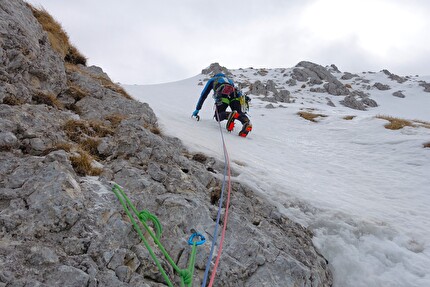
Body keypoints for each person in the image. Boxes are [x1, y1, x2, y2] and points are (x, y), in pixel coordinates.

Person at [192, 73, 252, 137]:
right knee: (239, 112)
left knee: (218, 116)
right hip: (235, 97)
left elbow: (203, 95)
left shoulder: (213, 79)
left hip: (222, 96)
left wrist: (197, 109)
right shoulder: (229, 81)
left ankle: (230, 115)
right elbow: (237, 92)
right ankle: (246, 122)